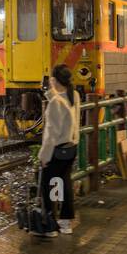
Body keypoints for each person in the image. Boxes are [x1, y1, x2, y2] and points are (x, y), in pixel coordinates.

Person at [37, 64, 80, 236]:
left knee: (51, 186)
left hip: (57, 151)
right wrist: (50, 92)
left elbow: (51, 134)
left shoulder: (56, 103)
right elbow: (63, 106)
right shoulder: (73, 95)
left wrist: (44, 156)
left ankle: (51, 224)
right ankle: (65, 222)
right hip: (71, 148)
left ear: (54, 80)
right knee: (64, 184)